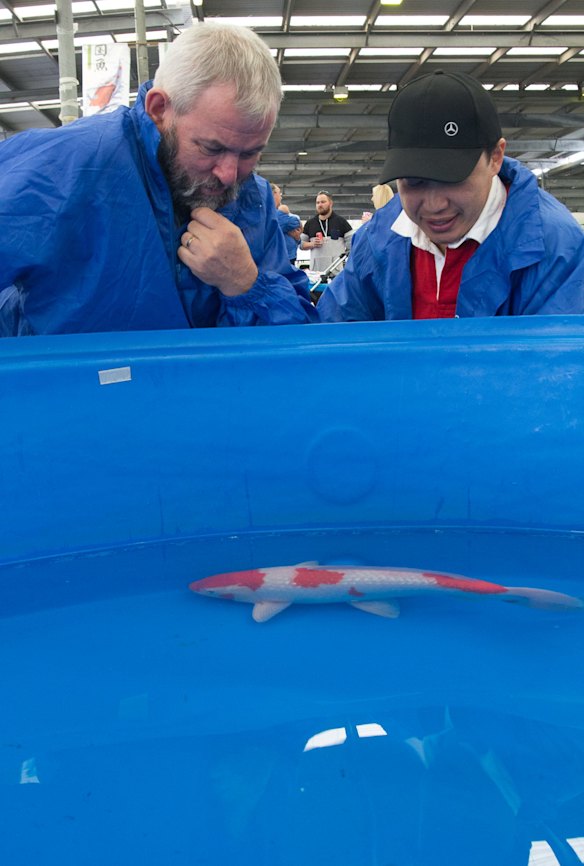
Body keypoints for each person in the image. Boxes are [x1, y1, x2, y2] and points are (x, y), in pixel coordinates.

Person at [0, 22, 317, 336]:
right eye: (211, 147)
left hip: (207, 387)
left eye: (250, 153)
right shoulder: (68, 166)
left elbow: (302, 344)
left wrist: (246, 284)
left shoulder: (254, 200)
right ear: (159, 108)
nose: (229, 174)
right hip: (71, 385)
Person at [317, 70, 584, 322]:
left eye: (453, 180)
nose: (434, 205)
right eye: (413, 182)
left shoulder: (559, 250)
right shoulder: (378, 238)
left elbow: (558, 363)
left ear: (495, 157)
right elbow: (333, 331)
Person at [300, 191, 353, 273]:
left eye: (323, 202)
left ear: (330, 203)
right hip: (316, 273)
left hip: (336, 272)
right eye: (317, 203)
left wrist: (344, 261)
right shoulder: (309, 223)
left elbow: (352, 245)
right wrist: (312, 244)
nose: (320, 205)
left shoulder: (341, 222)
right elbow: (300, 244)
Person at [270, 183, 302, 264]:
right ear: (273, 194)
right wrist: (284, 210)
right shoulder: (272, 214)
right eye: (279, 193)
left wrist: (297, 238)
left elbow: (296, 227)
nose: (281, 197)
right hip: (280, 259)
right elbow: (295, 222)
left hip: (287, 257)